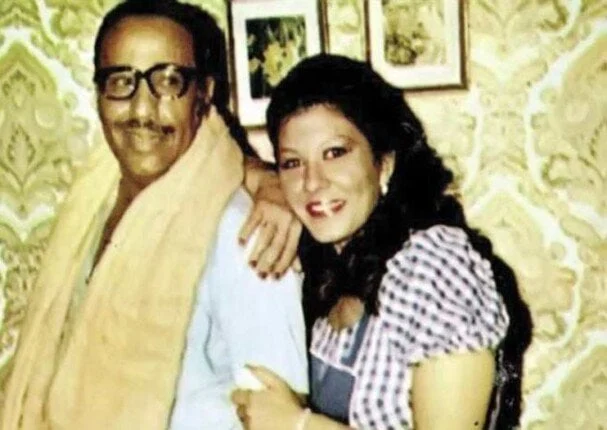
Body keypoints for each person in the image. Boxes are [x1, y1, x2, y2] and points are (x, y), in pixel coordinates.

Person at [2, 1, 307, 429]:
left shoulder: (247, 231)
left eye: (169, 81)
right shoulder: (91, 207)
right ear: (99, 95)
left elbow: (280, 417)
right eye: (121, 81)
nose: (143, 110)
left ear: (204, 95)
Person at [232, 54, 533, 429]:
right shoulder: (328, 272)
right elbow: (214, 155)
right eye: (292, 163)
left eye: (335, 153)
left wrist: (298, 424)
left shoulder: (432, 263)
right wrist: (266, 183)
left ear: (384, 163)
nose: (312, 182)